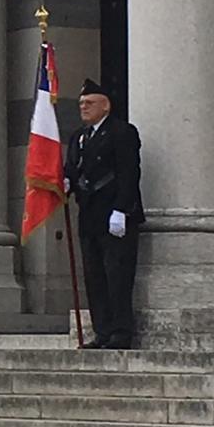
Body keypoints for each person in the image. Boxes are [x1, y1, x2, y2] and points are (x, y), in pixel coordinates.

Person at [64, 78, 145, 350]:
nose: (83, 108)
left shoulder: (122, 132)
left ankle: (121, 332)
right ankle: (103, 331)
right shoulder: (79, 137)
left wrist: (122, 209)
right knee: (94, 276)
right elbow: (73, 169)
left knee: (117, 276)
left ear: (105, 106)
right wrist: (65, 182)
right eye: (81, 104)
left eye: (89, 103)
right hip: (89, 215)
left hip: (114, 215)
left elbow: (128, 173)